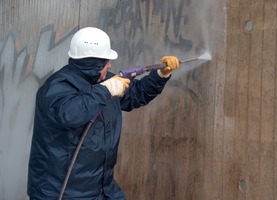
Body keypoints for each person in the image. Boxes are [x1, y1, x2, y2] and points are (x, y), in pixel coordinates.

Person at [27, 27, 180, 200]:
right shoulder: (56, 87)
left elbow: (136, 94)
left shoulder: (105, 83)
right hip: (62, 192)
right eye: (106, 61)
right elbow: (70, 114)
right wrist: (105, 90)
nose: (110, 65)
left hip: (102, 188)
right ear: (91, 63)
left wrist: (160, 75)